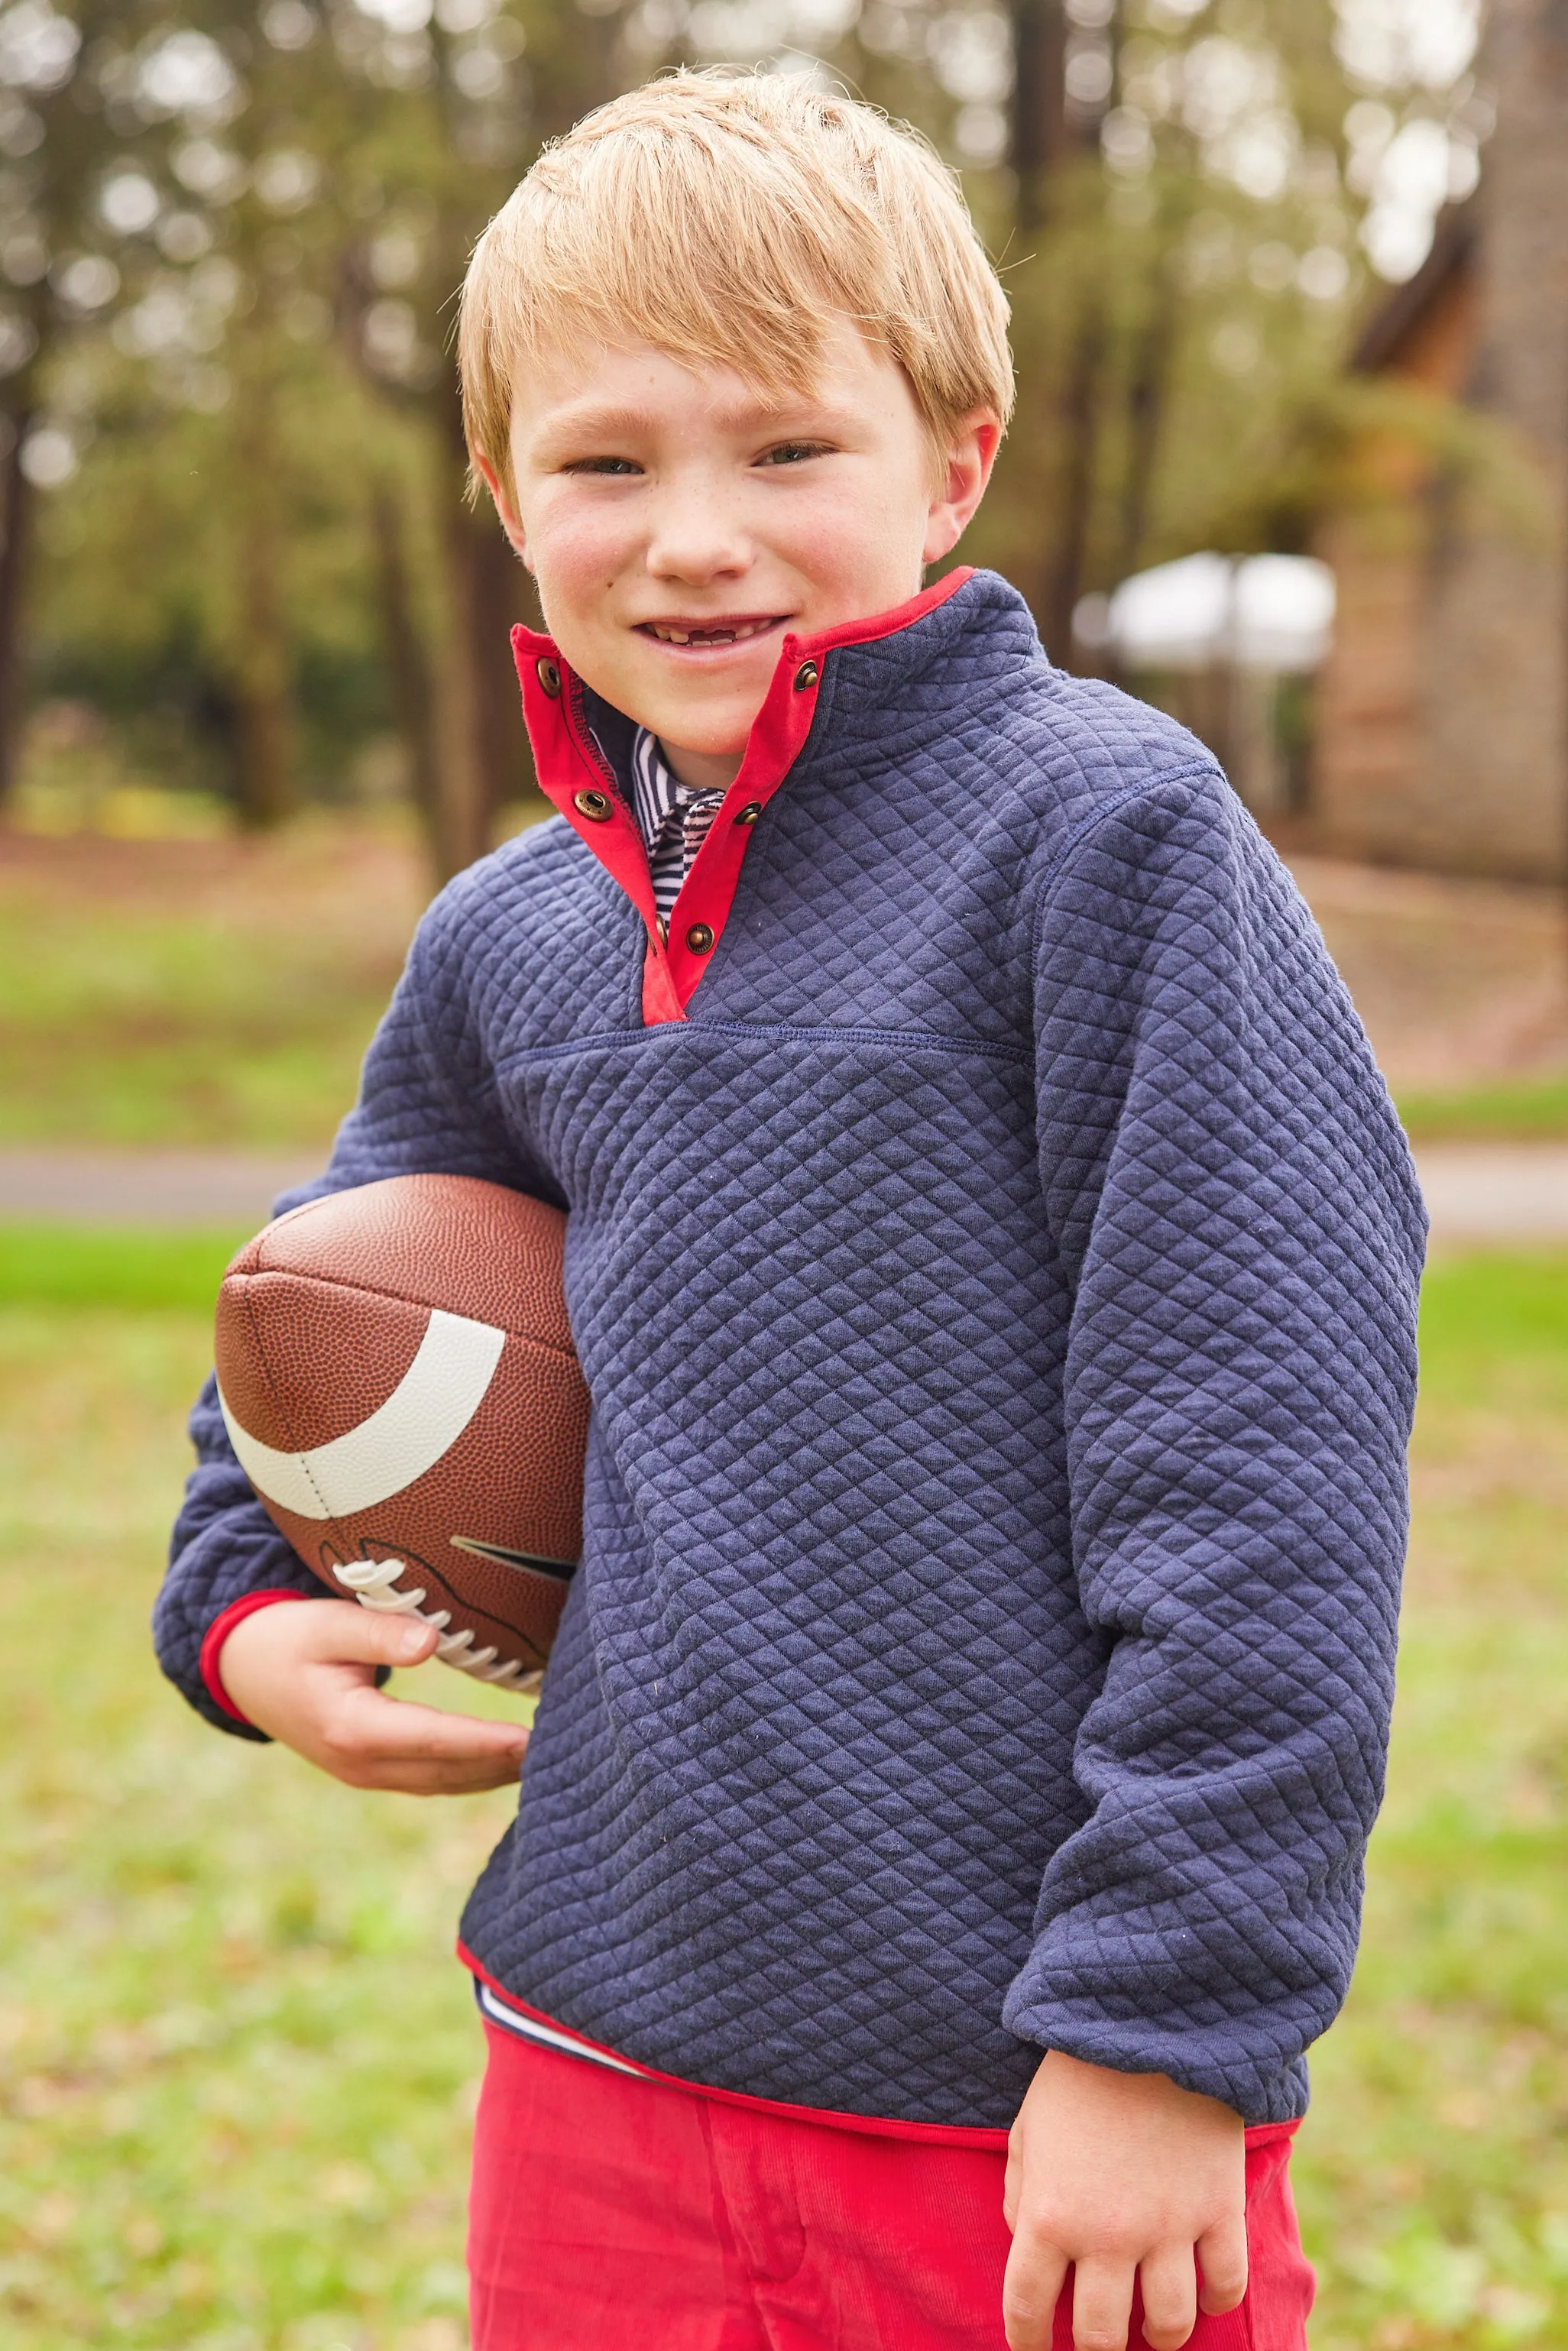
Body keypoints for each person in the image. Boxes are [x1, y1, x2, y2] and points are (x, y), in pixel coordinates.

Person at [156, 71, 1424, 2351]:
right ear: (503, 497)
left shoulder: (1102, 844)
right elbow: (312, 1284)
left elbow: (1264, 1467)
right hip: (595, 2049)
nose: (693, 535)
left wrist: (1156, 2030)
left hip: (1025, 2098)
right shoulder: (510, 935)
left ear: (953, 456)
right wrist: (243, 1609)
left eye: (785, 451)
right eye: (606, 464)